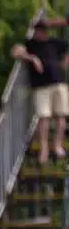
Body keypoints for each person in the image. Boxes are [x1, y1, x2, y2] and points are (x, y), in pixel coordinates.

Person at [12, 19, 69, 164]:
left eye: (43, 30)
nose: (40, 33)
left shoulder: (55, 43)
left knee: (61, 116)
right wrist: (32, 58)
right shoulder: (30, 44)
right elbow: (16, 52)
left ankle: (57, 146)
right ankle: (44, 150)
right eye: (38, 30)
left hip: (58, 83)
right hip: (40, 86)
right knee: (44, 117)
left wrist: (65, 62)